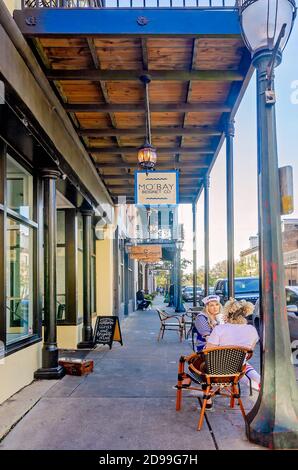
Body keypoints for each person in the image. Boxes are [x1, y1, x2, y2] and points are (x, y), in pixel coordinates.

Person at [205, 297, 261, 392]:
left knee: (229, 366)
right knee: (242, 365)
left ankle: (257, 385)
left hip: (216, 371)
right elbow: (249, 351)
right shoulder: (252, 330)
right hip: (238, 368)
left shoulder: (219, 329)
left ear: (227, 315)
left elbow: (208, 351)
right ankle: (260, 382)